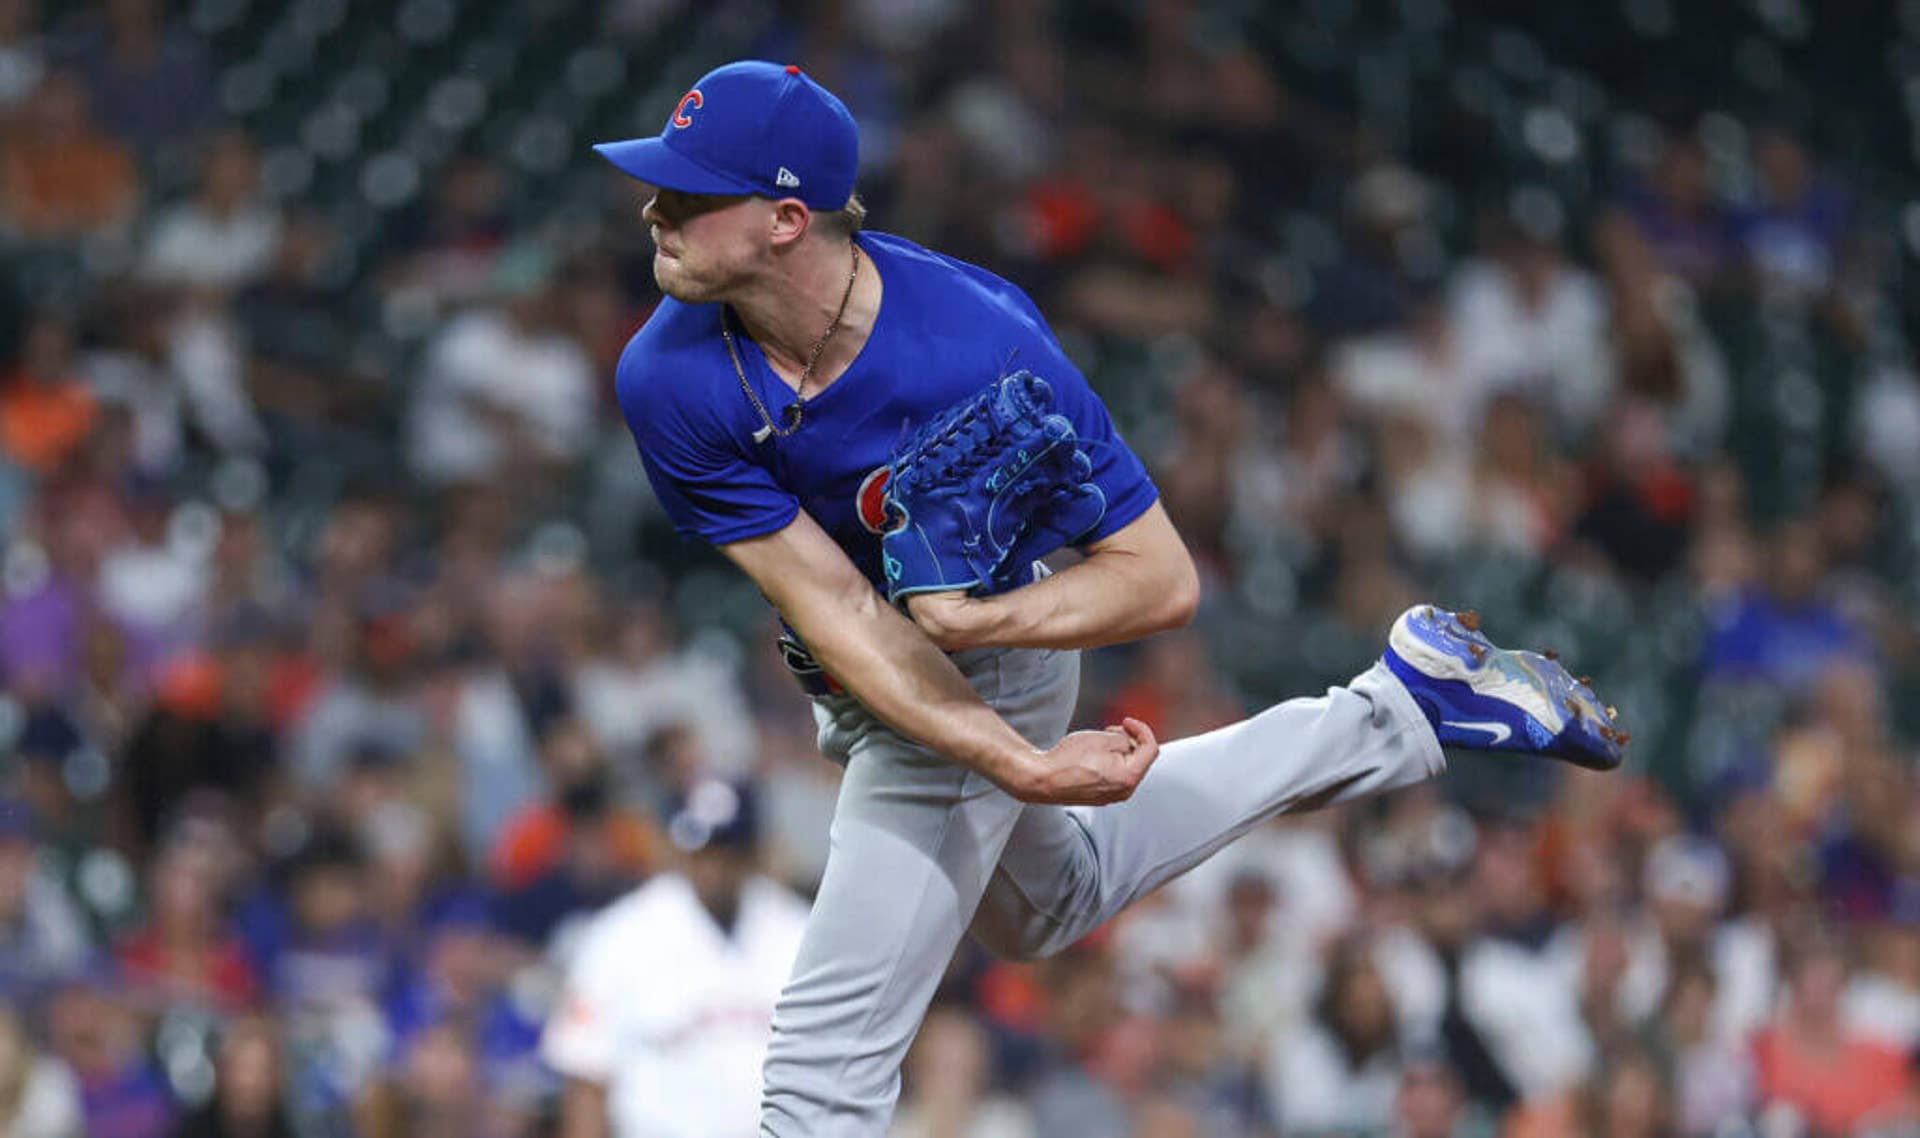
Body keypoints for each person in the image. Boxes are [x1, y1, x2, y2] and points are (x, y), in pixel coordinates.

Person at [589, 59, 1625, 1135]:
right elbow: (837, 612)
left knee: (819, 1075)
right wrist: (1027, 768)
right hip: (868, 669)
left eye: (691, 193)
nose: (652, 206)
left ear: (787, 219)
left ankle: (1393, 713)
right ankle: (1404, 706)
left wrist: (981, 632)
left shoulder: (977, 343)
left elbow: (1162, 578)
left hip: (997, 646)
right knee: (1052, 906)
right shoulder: (665, 375)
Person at [541, 779, 809, 1138]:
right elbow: (586, 1079)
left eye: (727, 850)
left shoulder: (798, 929)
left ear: (754, 852)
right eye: (702, 851)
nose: (713, 866)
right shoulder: (620, 937)